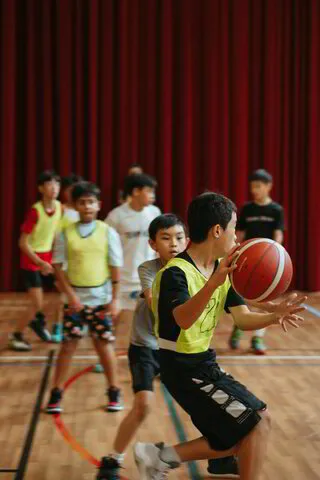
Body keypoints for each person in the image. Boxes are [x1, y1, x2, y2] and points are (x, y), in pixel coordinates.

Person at [133, 192, 305, 480]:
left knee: (238, 436)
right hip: (182, 367)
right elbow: (183, 319)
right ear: (217, 230)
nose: (237, 237)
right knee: (256, 422)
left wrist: (274, 316)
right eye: (233, 228)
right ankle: (159, 458)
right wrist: (215, 283)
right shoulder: (175, 273)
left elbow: (243, 317)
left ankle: (159, 457)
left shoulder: (220, 269)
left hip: (203, 363)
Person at [97, 214, 188, 479]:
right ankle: (113, 460)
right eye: (166, 238)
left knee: (199, 404)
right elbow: (153, 303)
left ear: (188, 241)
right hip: (146, 345)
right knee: (143, 406)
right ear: (152, 243)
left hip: (177, 347)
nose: (173, 243)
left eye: (179, 238)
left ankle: (222, 455)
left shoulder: (195, 269)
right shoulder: (148, 269)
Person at [45, 181, 123, 413]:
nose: (87, 206)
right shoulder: (65, 233)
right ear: (75, 206)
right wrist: (70, 296)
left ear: (98, 205)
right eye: (82, 202)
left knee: (104, 345)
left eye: (91, 202)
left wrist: (115, 298)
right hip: (75, 299)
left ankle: (114, 390)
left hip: (101, 297)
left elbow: (115, 266)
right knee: (68, 346)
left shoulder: (107, 232)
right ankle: (56, 393)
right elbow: (57, 266)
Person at [229, 169, 285, 354]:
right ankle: (239, 327)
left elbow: (278, 234)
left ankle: (257, 339)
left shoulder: (276, 210)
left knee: (265, 298)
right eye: (252, 186)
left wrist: (275, 257)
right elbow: (240, 234)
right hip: (247, 260)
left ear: (269, 186)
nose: (255, 190)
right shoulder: (247, 209)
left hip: (267, 264)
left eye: (258, 186)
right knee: (244, 299)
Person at [105, 174, 161, 346]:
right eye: (149, 191)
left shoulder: (154, 213)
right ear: (136, 191)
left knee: (154, 319)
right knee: (115, 318)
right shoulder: (116, 216)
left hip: (147, 277)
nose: (153, 195)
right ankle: (107, 350)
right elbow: (105, 248)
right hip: (122, 279)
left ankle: (153, 356)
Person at [9, 170, 61, 351]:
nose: (54, 188)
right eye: (49, 184)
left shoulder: (59, 207)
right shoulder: (35, 211)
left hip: (48, 258)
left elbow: (54, 234)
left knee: (60, 294)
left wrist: (55, 258)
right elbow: (22, 243)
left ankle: (39, 322)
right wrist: (40, 262)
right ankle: (16, 335)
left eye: (57, 184)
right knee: (36, 302)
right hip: (31, 260)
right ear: (41, 188)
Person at [51, 173, 83, 343]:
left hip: (78, 258)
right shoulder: (61, 210)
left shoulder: (83, 210)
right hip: (63, 258)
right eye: (70, 190)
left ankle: (80, 323)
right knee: (63, 295)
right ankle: (57, 325)